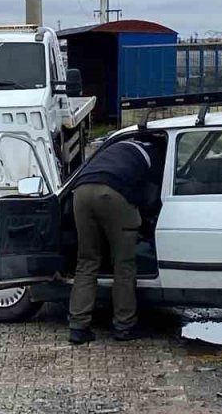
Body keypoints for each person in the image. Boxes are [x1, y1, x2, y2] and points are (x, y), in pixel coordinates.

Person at [67, 137, 163, 345]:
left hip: (81, 191)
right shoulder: (156, 155)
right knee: (123, 263)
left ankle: (78, 327)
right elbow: (153, 197)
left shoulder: (115, 145)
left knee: (86, 261)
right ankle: (124, 325)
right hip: (114, 193)